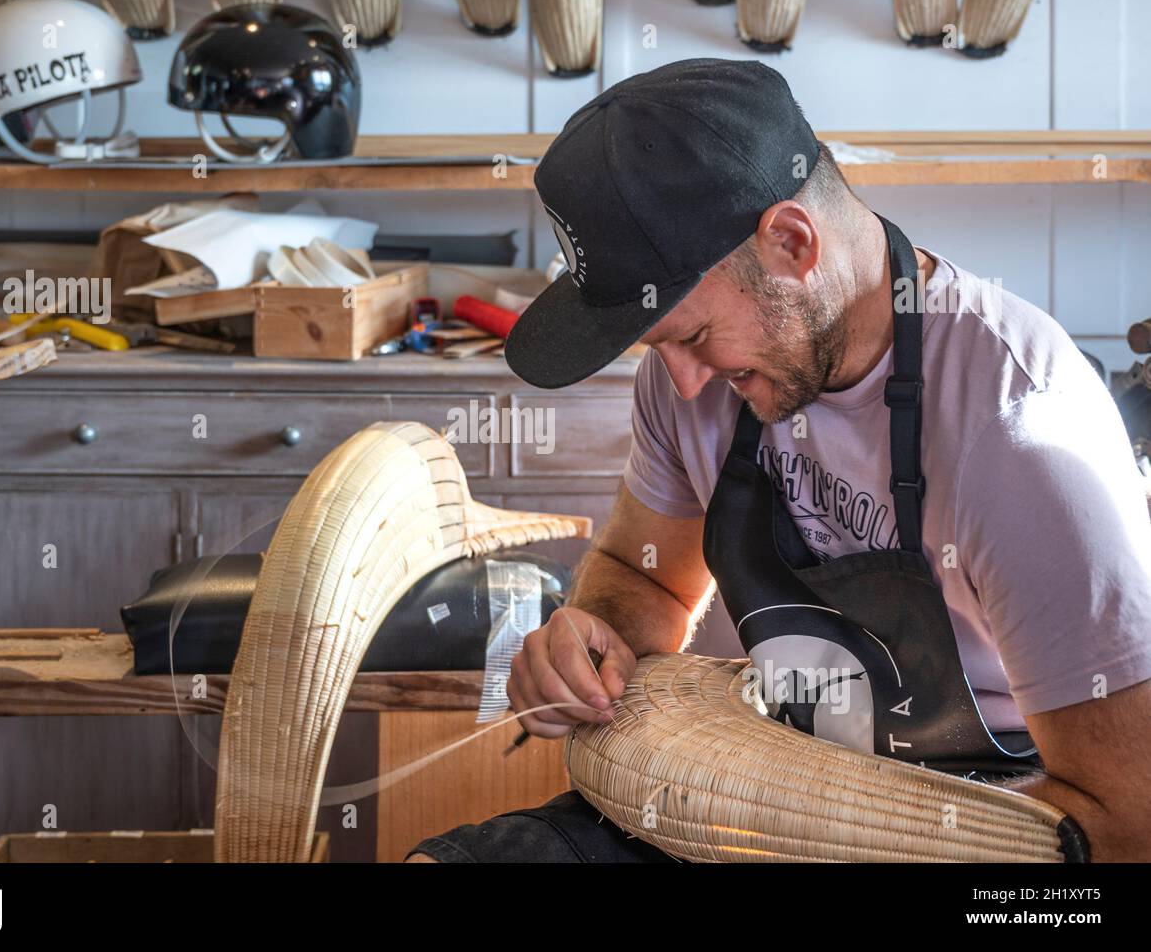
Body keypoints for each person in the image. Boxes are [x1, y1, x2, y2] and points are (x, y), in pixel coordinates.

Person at [407, 58, 1151, 863]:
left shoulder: (1014, 428)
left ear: (792, 243)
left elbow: (1126, 818)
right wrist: (592, 640)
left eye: (693, 337)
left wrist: (850, 837)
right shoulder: (689, 379)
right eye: (660, 346)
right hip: (781, 788)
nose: (682, 381)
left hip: (990, 833)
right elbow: (647, 573)